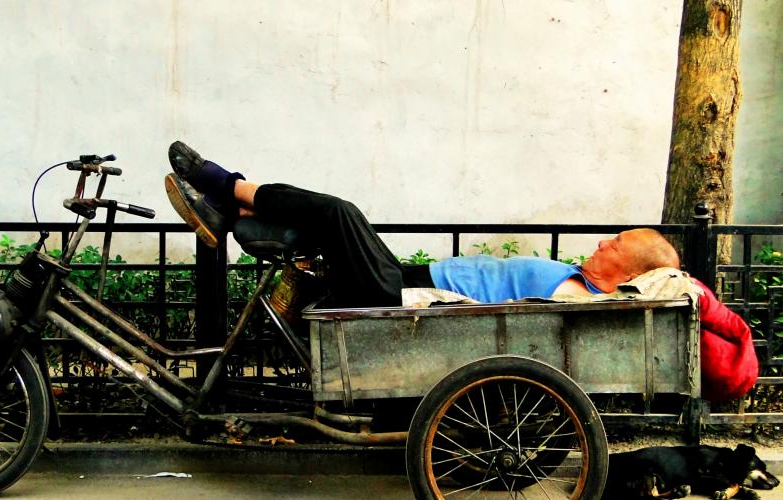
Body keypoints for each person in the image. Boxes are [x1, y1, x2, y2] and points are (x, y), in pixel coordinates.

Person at [164, 140, 757, 402]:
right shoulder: (578, 276)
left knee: (340, 213)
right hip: (410, 279)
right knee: (327, 226)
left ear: (623, 267)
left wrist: (680, 286)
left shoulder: (582, 295)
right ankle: (229, 206)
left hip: (405, 295)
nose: (603, 241)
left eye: (615, 243)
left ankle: (224, 186)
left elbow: (681, 291)